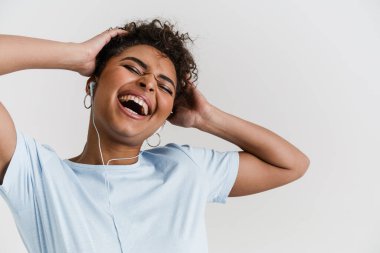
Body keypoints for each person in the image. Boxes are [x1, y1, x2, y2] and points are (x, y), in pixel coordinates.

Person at [0, 19, 310, 253]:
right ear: (91, 84)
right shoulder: (36, 176)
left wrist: (207, 118)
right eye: (133, 68)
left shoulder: (184, 168)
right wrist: (76, 56)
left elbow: (291, 164)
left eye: (164, 87)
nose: (148, 83)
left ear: (166, 115)